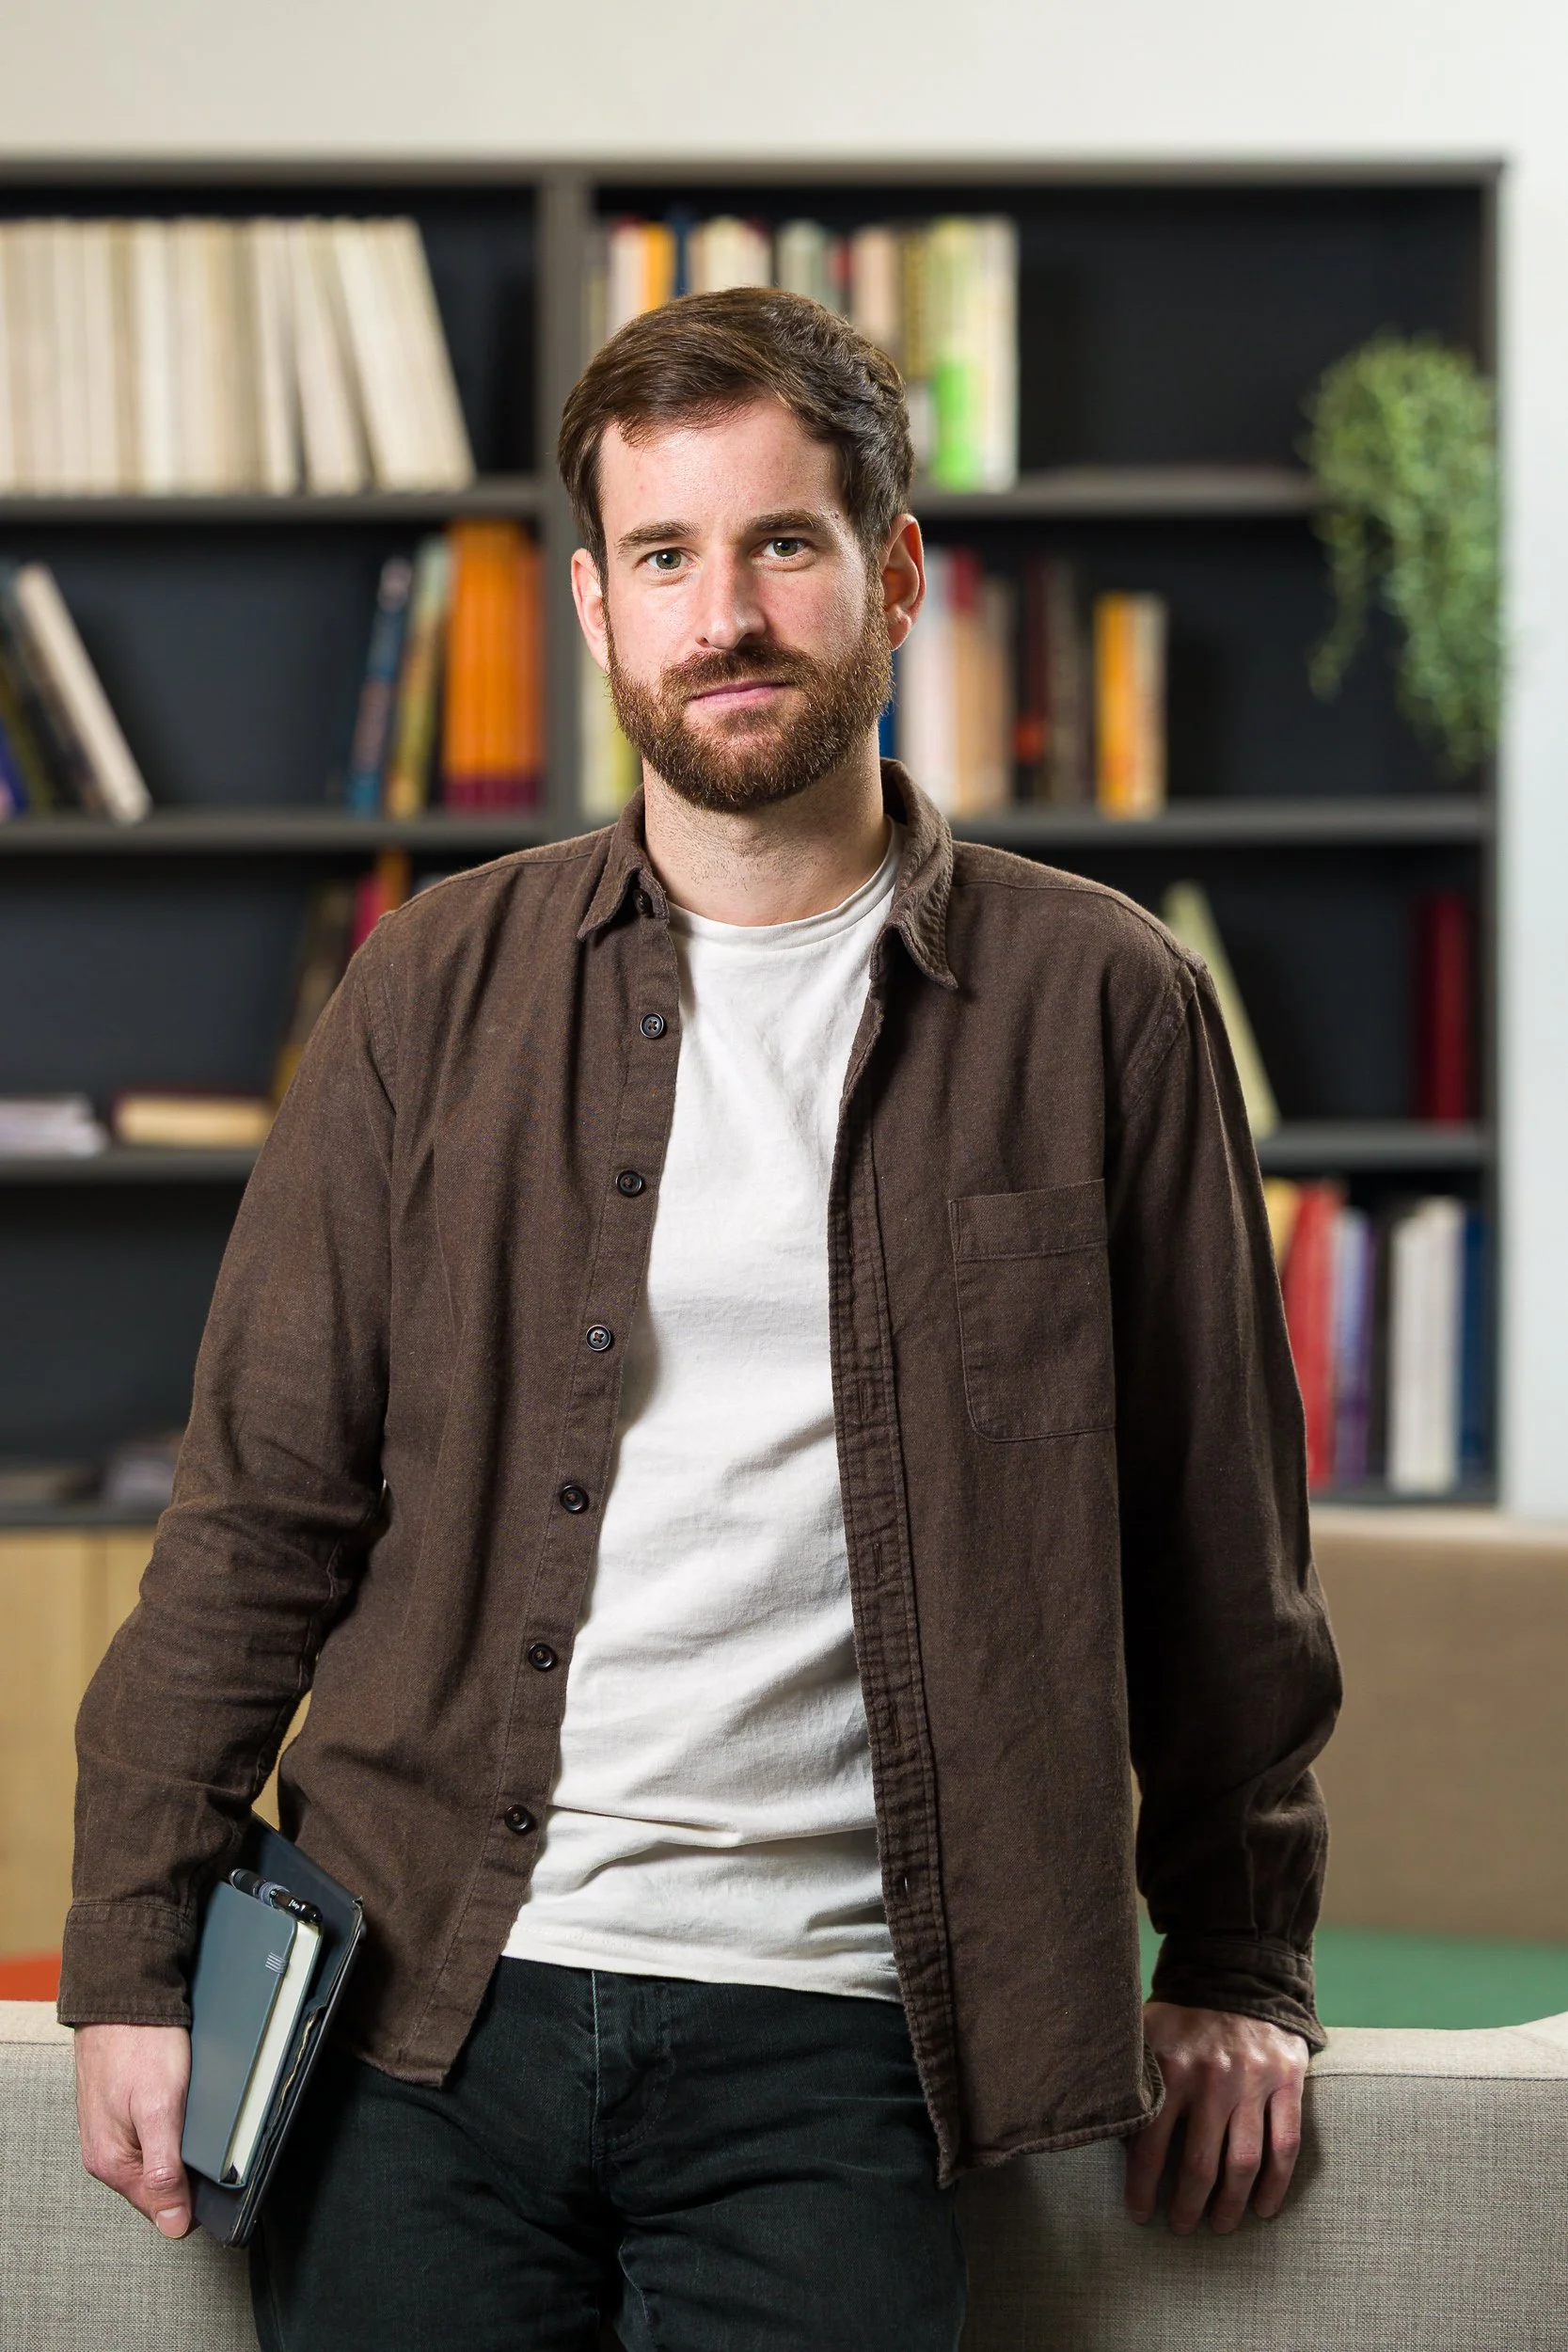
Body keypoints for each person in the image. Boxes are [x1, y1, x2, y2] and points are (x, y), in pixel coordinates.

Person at [65, 287, 1340, 2352]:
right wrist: (132, 1948)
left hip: (841, 2032)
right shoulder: (429, 989)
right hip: (416, 2008)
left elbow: (1217, 1545)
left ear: (893, 573)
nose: (721, 613)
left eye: (779, 545)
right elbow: (256, 1509)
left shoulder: (1101, 1002)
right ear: (592, 604)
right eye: (663, 555)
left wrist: (1241, 1951)